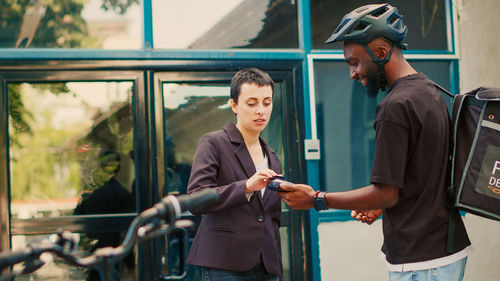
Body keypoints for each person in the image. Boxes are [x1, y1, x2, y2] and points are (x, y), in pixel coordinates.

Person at [278, 4, 471, 281]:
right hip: (443, 250)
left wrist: (316, 200)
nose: (352, 74)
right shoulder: (430, 92)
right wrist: (383, 202)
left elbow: (386, 192)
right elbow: (423, 176)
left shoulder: (395, 105)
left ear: (380, 52)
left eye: (354, 62)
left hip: (421, 260)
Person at [186, 68, 283, 281]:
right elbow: (196, 198)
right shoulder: (213, 143)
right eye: (252, 103)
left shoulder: (273, 157)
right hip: (225, 263)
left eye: (267, 103)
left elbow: (271, 219)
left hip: (267, 266)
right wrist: (246, 187)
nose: (261, 110)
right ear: (234, 105)